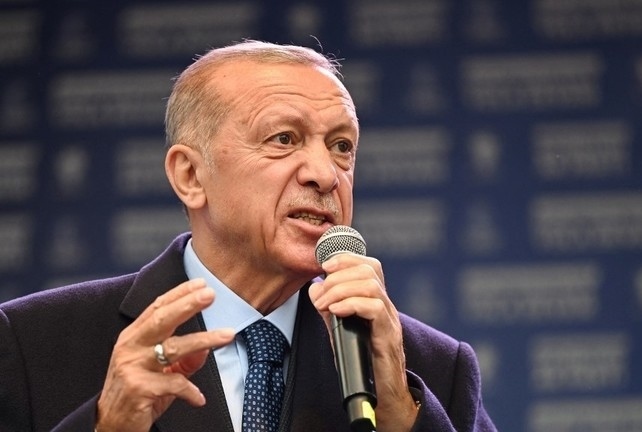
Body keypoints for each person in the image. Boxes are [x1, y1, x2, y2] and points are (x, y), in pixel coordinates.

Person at [0, 40, 496, 432]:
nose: (325, 174)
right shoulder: (30, 344)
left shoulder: (428, 367)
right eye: (284, 139)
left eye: (342, 146)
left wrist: (401, 417)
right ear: (190, 176)